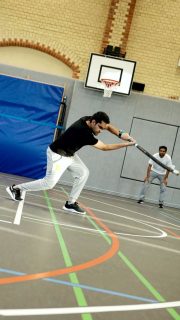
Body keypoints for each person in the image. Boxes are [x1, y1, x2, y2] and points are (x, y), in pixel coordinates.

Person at [6, 111, 136, 214]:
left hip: (70, 154)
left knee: (83, 173)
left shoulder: (89, 119)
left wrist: (121, 133)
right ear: (93, 122)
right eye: (100, 128)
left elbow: (108, 126)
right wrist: (126, 144)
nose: (101, 131)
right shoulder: (84, 132)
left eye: (102, 128)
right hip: (58, 154)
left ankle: (70, 203)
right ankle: (16, 188)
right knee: (49, 183)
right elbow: (105, 147)